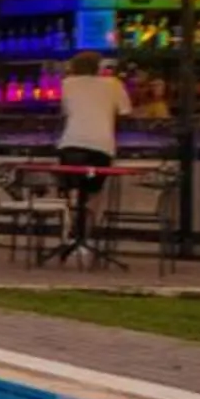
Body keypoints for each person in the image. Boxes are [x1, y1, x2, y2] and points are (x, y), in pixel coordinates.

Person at [50, 50, 130, 260]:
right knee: (93, 194)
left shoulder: (68, 84)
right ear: (99, 67)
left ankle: (69, 236)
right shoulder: (113, 84)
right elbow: (125, 111)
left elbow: (65, 112)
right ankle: (86, 238)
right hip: (100, 145)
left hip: (71, 143)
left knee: (71, 193)